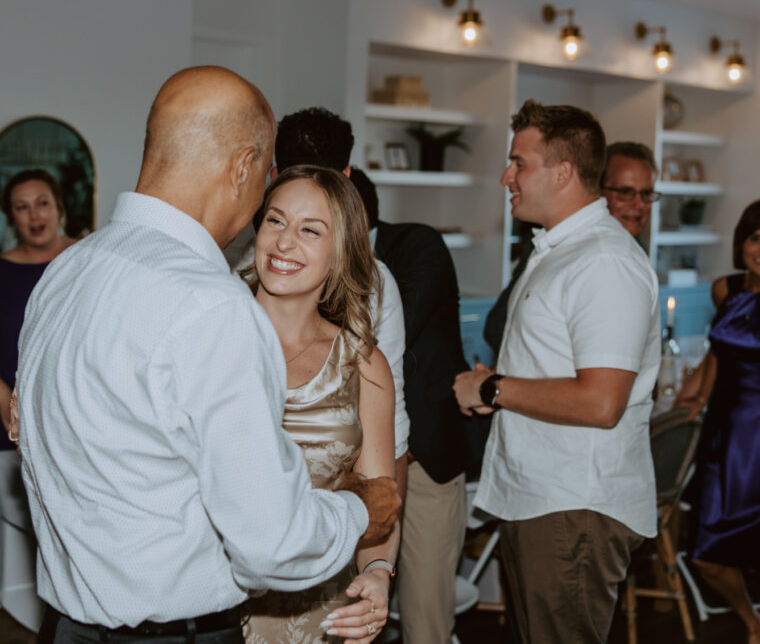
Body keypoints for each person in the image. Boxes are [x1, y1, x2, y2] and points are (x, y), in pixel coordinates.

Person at [16, 66, 399, 644]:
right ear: (244, 167)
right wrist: (359, 512)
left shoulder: (67, 270)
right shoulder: (212, 306)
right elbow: (271, 545)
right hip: (172, 632)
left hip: (71, 626)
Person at [454, 100, 660, 644]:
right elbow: (560, 367)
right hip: (548, 497)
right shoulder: (563, 252)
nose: (507, 176)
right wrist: (500, 382)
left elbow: (600, 402)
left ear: (563, 171)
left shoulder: (604, 262)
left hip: (574, 505)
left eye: (519, 163)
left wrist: (494, 388)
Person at [240, 166, 398, 643]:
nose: (285, 242)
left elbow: (379, 501)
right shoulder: (210, 338)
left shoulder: (363, 362)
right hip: (213, 606)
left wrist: (377, 575)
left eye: (310, 230)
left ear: (340, 252)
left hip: (323, 611)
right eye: (275, 221)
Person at [351, 167, 488, 644]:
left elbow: (390, 326)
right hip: (351, 467)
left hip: (425, 456)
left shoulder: (416, 245)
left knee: (426, 617)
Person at [484, 140, 660, 360]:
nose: (638, 205)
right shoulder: (554, 242)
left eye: (646, 195)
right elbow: (497, 326)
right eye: (625, 192)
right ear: (597, 190)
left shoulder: (633, 252)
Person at [675, 199, 760, 644]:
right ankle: (752, 621)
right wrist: (693, 398)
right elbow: (718, 354)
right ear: (741, 243)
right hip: (725, 437)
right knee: (706, 554)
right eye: (755, 237)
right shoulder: (724, 289)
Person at [0, 169, 76, 450]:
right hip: (17, 422)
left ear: (59, 209)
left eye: (42, 203)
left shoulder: (89, 261)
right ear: (13, 220)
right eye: (22, 208)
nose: (34, 215)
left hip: (83, 416)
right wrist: (4, 400)